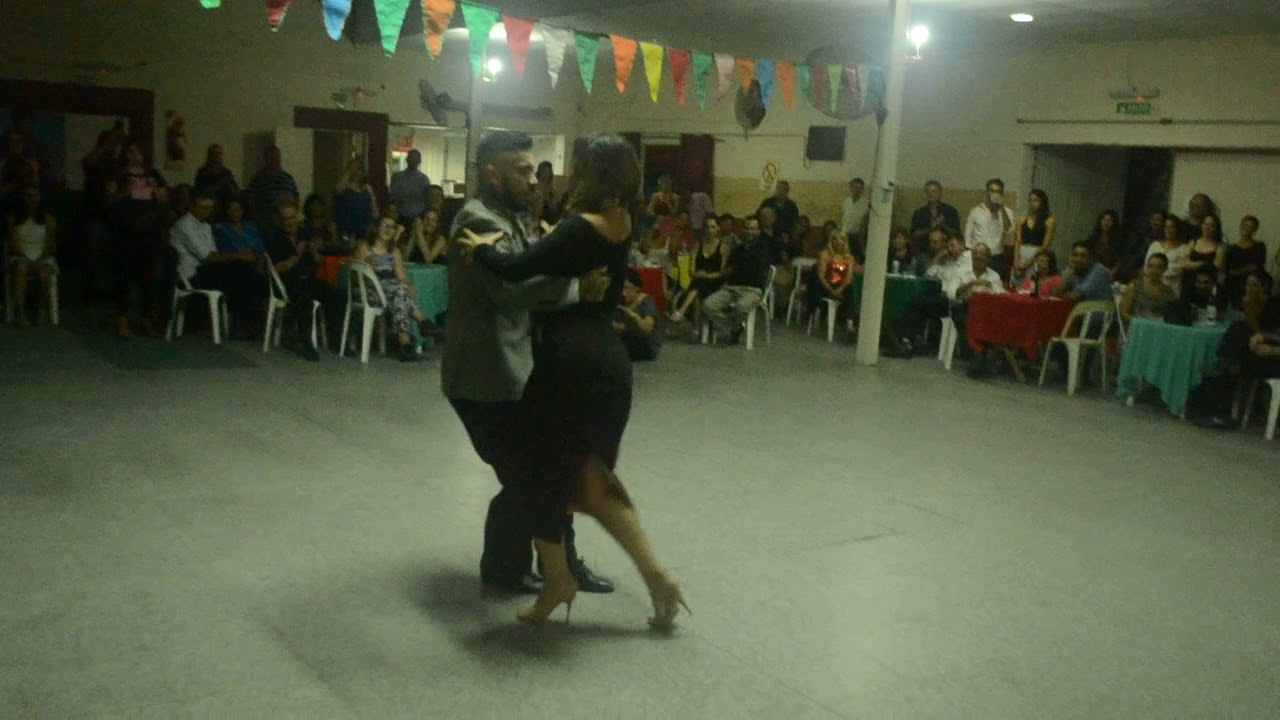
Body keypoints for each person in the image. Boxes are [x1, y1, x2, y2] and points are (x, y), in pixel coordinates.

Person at [457, 133, 685, 627]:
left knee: (541, 476)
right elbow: (558, 261)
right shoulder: (621, 219)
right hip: (608, 361)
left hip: (570, 365)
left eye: (576, 166)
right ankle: (655, 577)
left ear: (592, 174)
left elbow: (514, 273)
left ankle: (558, 579)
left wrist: (482, 252)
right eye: (523, 170)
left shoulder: (580, 226)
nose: (558, 175)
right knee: (590, 481)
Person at [441, 131, 613, 598]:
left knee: (544, 471)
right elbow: (510, 291)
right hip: (484, 378)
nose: (533, 180)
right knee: (528, 477)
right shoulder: (477, 221)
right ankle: (509, 567)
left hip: (516, 370)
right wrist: (578, 289)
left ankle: (539, 565)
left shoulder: (509, 219)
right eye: (521, 170)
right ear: (492, 174)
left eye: (533, 170)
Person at [170, 194, 267, 337]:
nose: (205, 211)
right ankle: (241, 324)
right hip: (192, 274)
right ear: (192, 206)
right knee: (242, 273)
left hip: (207, 269)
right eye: (202, 207)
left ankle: (244, 323)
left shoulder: (206, 226)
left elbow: (215, 254)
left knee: (247, 273)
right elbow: (207, 257)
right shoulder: (185, 225)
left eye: (209, 208)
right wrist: (239, 256)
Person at [106, 140, 169, 338]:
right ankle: (122, 319)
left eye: (138, 152)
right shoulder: (118, 174)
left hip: (150, 231)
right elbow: (109, 199)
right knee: (124, 277)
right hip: (126, 231)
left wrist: (154, 191)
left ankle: (147, 320)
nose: (135, 156)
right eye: (131, 152)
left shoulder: (153, 174)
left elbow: (164, 198)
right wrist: (126, 191)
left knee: (149, 277)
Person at [352, 215, 428, 362]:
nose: (388, 230)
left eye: (392, 227)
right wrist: (366, 264)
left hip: (390, 293)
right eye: (384, 225)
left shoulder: (394, 251)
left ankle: (405, 344)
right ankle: (421, 319)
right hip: (368, 292)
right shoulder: (364, 248)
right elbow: (354, 279)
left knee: (400, 291)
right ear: (376, 228)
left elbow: (401, 277)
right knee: (398, 290)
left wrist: (409, 285)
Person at [265, 202, 325, 361]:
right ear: (280, 220)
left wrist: (315, 252)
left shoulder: (306, 233)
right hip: (287, 283)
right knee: (304, 299)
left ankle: (339, 340)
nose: (289, 222)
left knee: (337, 293)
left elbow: (319, 260)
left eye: (292, 218)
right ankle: (307, 343)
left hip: (309, 278)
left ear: (298, 218)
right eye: (285, 219)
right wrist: (297, 254)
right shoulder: (275, 238)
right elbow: (277, 268)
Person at [703, 215, 770, 346]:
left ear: (758, 231)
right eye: (747, 228)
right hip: (731, 287)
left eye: (753, 229)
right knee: (708, 305)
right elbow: (728, 270)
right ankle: (732, 329)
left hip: (752, 290)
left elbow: (756, 272)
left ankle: (733, 330)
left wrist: (738, 268)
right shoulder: (736, 250)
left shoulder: (763, 250)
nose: (750, 232)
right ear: (743, 230)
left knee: (741, 307)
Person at [5, 184, 57, 326]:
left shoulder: (48, 218)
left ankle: (41, 310)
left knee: (45, 272)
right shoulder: (14, 219)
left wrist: (41, 257)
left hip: (42, 256)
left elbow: (50, 244)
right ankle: (21, 313)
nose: (32, 199)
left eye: (35, 196)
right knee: (21, 267)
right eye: (28, 196)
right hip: (21, 256)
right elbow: (14, 243)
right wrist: (26, 258)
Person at [668, 215, 729, 325]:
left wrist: (706, 276)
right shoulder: (697, 246)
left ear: (718, 228)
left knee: (699, 287)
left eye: (712, 227)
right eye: (707, 227)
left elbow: (723, 272)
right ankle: (696, 329)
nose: (709, 230)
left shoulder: (724, 247)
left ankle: (681, 312)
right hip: (698, 280)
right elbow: (691, 271)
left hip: (715, 282)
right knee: (697, 292)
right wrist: (698, 274)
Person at [963, 178, 1015, 276]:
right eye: (992, 191)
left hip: (996, 257)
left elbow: (1009, 231)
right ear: (987, 192)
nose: (994, 194)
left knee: (994, 283)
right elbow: (968, 237)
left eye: (998, 192)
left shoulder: (1007, 212)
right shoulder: (976, 211)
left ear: (1002, 194)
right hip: (977, 256)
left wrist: (1001, 208)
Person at [246, 145, 299, 237]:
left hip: (287, 222)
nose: (275, 160)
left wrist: (293, 216)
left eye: (277, 157)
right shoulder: (257, 179)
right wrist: (258, 218)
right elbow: (251, 200)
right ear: (266, 159)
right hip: (267, 224)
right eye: (272, 157)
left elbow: (296, 198)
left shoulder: (288, 178)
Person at [807, 227, 857, 319]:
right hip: (825, 285)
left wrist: (839, 289)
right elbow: (821, 276)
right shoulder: (824, 255)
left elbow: (848, 278)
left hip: (840, 286)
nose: (838, 242)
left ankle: (849, 319)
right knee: (816, 283)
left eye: (841, 239)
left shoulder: (849, 258)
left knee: (851, 288)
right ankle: (817, 313)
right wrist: (831, 290)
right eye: (835, 239)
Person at [1219, 216, 1266, 310]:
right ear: (1240, 226)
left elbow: (1257, 266)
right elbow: (1228, 270)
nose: (1247, 229)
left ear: (1255, 230)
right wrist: (1245, 269)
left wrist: (1237, 271)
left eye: (1251, 227)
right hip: (1234, 284)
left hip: (1253, 282)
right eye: (1245, 226)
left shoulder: (1260, 246)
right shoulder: (1231, 249)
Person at [615, 269, 661, 361]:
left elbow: (648, 327)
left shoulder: (646, 301)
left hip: (643, 343)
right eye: (621, 288)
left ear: (637, 288)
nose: (623, 293)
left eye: (627, 288)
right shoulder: (619, 300)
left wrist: (634, 315)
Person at [1119, 253, 1177, 324]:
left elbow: (1172, 317)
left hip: (1159, 327)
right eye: (1151, 266)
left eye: (1159, 267)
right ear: (1146, 267)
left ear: (1165, 269)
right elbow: (1123, 312)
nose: (1154, 270)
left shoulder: (1169, 292)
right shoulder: (1135, 287)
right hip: (1137, 325)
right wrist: (1140, 323)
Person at [1012, 189, 1056, 281]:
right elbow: (1017, 241)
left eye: (1035, 200)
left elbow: (1045, 246)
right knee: (1017, 282)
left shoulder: (1049, 221)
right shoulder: (1022, 220)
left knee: (1031, 283)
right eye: (1030, 200)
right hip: (1021, 253)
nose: (1032, 203)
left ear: (1042, 202)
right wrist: (1016, 261)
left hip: (1037, 256)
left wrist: (1028, 263)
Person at [909, 179, 962, 251]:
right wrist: (931, 228)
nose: (930, 194)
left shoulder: (950, 211)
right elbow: (914, 234)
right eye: (928, 192)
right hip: (924, 250)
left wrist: (943, 225)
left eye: (934, 191)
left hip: (947, 250)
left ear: (940, 192)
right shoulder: (919, 213)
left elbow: (957, 234)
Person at [1181, 213, 1224, 297]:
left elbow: (1215, 268)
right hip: (1188, 284)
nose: (1207, 227)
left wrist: (1193, 264)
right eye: (1205, 224)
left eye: (1211, 225)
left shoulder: (1219, 247)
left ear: (1216, 228)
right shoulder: (1193, 242)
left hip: (1206, 288)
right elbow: (1184, 264)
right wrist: (1203, 263)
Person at [333, 161, 378, 240]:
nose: (357, 172)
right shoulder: (345, 188)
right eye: (355, 169)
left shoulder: (367, 188)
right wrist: (350, 171)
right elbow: (338, 189)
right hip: (348, 231)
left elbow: (374, 211)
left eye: (359, 169)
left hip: (365, 231)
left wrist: (373, 224)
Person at [193, 144, 240, 218]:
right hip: (210, 207)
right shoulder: (203, 172)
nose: (218, 156)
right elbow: (202, 192)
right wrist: (221, 183)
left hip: (227, 206)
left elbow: (236, 191)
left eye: (219, 153)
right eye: (215, 153)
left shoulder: (226, 172)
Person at [1146, 216, 1190, 295]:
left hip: (1172, 290)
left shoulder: (1184, 248)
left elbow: (1180, 268)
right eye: (1166, 227)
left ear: (1177, 229)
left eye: (1171, 227)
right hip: (1152, 289)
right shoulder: (1155, 245)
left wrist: (1157, 269)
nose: (1168, 230)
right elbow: (1147, 266)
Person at [389, 149, 430, 228]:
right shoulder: (397, 177)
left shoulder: (424, 179)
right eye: (412, 158)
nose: (413, 161)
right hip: (400, 217)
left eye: (416, 159)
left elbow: (427, 198)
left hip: (419, 217)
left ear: (419, 161)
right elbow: (393, 197)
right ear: (407, 159)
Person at [1084, 209, 1121, 275]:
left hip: (1107, 272)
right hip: (1092, 270)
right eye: (1104, 219)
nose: (1106, 223)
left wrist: (1110, 275)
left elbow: (1117, 263)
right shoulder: (1093, 238)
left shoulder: (1117, 241)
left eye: (1109, 220)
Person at [840, 177, 869, 259]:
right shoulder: (846, 202)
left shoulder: (866, 204)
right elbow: (844, 218)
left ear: (863, 189)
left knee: (857, 257)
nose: (857, 190)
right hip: (845, 234)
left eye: (860, 188)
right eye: (855, 187)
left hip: (858, 236)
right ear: (850, 188)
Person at [530, 161, 565, 228]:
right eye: (543, 171)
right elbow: (535, 208)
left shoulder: (551, 187)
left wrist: (549, 197)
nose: (545, 174)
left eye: (547, 172)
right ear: (539, 172)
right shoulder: (533, 185)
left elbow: (554, 207)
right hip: (537, 213)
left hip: (549, 215)